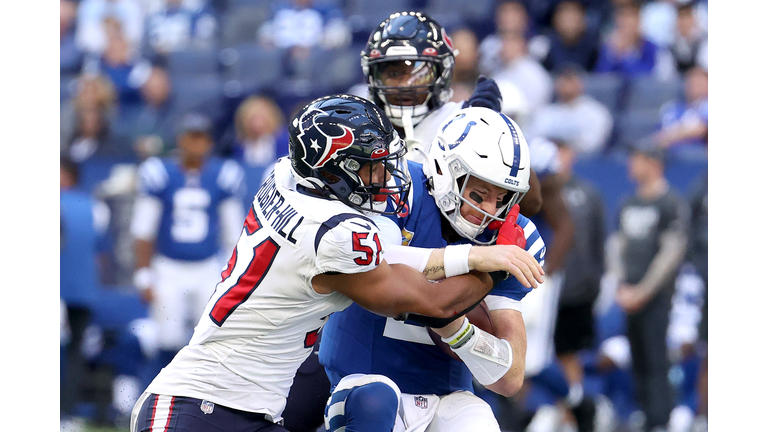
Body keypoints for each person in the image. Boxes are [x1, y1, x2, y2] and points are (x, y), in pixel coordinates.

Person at [129, 94, 545, 432]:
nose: (384, 179)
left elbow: (404, 254)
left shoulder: (286, 177)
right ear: (335, 172)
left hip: (256, 412)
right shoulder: (333, 233)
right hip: (197, 405)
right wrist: (490, 262)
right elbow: (433, 303)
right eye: (370, 168)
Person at [319, 106, 545, 432]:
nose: (490, 212)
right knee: (375, 402)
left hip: (445, 395)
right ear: (445, 171)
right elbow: (369, 261)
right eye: (478, 194)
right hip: (363, 382)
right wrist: (472, 259)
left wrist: (457, 330)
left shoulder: (515, 237)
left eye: (502, 198)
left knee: (478, 423)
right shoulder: (398, 189)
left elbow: (510, 379)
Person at [129, 112, 247, 386]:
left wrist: (232, 276)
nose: (195, 144)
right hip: (168, 266)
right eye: (190, 137)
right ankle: (155, 396)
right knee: (167, 338)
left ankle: (203, 400)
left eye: (201, 137)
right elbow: (143, 229)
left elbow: (233, 234)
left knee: (210, 338)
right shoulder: (160, 174)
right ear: (180, 140)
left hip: (207, 267)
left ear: (209, 142)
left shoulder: (223, 174)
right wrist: (143, 273)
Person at [605, 144, 690, 432]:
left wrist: (641, 292)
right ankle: (645, 413)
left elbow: (670, 254)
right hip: (629, 295)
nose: (630, 165)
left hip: (655, 298)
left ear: (654, 163)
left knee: (656, 357)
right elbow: (616, 245)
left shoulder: (670, 203)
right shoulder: (629, 202)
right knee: (637, 357)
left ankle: (661, 418)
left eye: (636, 159)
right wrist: (621, 286)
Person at [360, 11, 506, 163]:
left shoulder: (460, 121)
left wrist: (489, 138)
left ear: (442, 74)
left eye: (419, 75)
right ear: (373, 76)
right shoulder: (361, 127)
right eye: (394, 73)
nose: (405, 85)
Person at [551, 139, 606, 432]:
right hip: (540, 287)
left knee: (568, 352)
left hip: (574, 290)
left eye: (562, 149)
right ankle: (519, 417)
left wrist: (593, 284)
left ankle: (572, 415)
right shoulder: (536, 191)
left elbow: (598, 244)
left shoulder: (588, 194)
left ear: (571, 153)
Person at [60, 156, 112, 430]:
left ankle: (65, 411)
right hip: (82, 290)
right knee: (73, 352)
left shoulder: (89, 206)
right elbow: (102, 256)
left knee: (69, 352)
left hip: (71, 290)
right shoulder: (94, 207)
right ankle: (66, 412)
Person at [527, 64, 614, 156]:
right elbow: (533, 138)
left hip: (582, 163)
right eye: (563, 80)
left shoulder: (596, 112)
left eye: (571, 80)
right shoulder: (545, 113)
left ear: (581, 84)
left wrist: (566, 149)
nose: (567, 85)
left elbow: (593, 144)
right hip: (546, 160)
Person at [527, 0, 601, 73]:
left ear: (583, 19)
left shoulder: (594, 45)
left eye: (574, 16)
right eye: (566, 16)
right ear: (555, 19)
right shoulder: (544, 43)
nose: (570, 22)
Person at [655, 65, 707, 159]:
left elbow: (702, 129)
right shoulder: (671, 108)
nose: (695, 87)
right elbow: (659, 133)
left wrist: (672, 136)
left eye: (700, 84)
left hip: (696, 155)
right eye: (692, 83)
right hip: (667, 154)